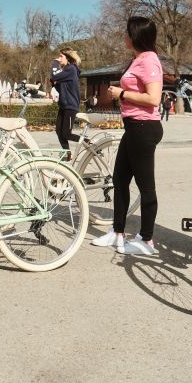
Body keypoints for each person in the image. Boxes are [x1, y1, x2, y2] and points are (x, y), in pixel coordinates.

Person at [91, 17, 163, 255]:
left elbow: (154, 98)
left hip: (144, 127)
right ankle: (118, 231)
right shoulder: (138, 59)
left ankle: (147, 240)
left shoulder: (149, 60)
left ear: (135, 36)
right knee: (120, 180)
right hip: (133, 127)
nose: (124, 36)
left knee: (146, 186)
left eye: (126, 32)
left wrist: (121, 93)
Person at [50, 48, 82, 158]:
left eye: (61, 57)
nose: (59, 59)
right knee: (59, 131)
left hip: (71, 106)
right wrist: (54, 86)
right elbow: (57, 83)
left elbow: (54, 76)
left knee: (66, 133)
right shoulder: (66, 71)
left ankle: (89, 142)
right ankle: (67, 153)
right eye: (58, 57)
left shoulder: (71, 69)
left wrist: (55, 62)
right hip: (63, 105)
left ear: (67, 58)